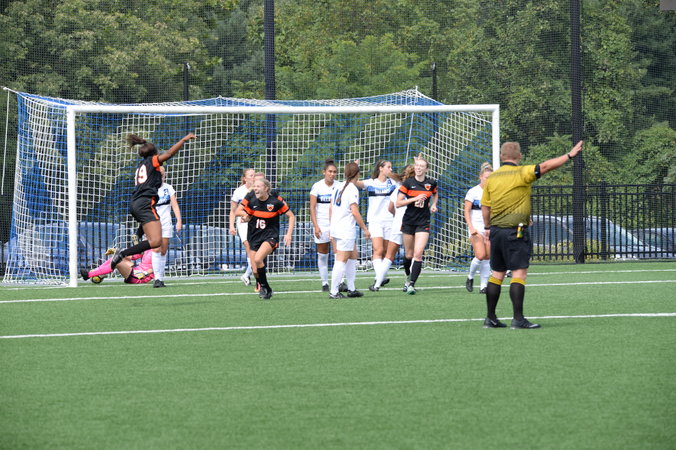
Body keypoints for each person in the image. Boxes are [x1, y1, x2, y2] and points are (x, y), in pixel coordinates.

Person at [481, 140, 584, 329]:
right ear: (519, 156)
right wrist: (569, 155)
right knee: (519, 273)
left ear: (501, 157)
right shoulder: (523, 172)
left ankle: (491, 318)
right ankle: (518, 319)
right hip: (515, 232)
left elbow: (485, 207)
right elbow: (546, 166)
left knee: (497, 274)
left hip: (496, 231)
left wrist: (488, 226)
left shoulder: (492, 178)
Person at [110, 133, 196, 271]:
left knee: (155, 241)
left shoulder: (141, 165)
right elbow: (169, 154)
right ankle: (123, 253)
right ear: (154, 153)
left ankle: (136, 236)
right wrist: (183, 140)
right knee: (156, 241)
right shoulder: (152, 161)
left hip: (136, 203)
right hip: (145, 204)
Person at [237, 178, 295, 300]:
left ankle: (264, 288)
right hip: (254, 237)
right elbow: (246, 215)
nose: (255, 189)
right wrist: (246, 218)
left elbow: (291, 216)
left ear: (266, 188)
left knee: (258, 259)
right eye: (255, 186)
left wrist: (288, 234)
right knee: (255, 270)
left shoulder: (275, 203)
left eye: (258, 186)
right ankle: (266, 288)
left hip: (270, 236)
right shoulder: (252, 201)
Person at [354, 160, 400, 291]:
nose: (391, 169)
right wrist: (355, 168)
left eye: (391, 167)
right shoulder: (371, 183)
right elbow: (354, 182)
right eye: (388, 167)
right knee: (378, 250)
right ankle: (379, 277)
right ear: (380, 168)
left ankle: (379, 277)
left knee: (385, 252)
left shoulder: (393, 183)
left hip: (390, 220)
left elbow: (405, 179)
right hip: (375, 221)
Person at [396, 155, 438, 294]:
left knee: (418, 254)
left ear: (426, 169)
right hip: (409, 221)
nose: (419, 168)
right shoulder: (408, 183)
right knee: (409, 255)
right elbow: (398, 203)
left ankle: (411, 284)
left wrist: (434, 205)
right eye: (417, 166)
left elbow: (435, 194)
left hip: (423, 221)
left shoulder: (431, 183)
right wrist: (414, 199)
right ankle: (408, 278)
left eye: (422, 166)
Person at [328, 162, 370, 299]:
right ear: (358, 174)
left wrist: (331, 226)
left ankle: (351, 289)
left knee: (353, 255)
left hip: (337, 227)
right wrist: (365, 228)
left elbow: (331, 208)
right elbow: (355, 212)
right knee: (341, 260)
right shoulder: (352, 189)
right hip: (345, 229)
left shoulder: (338, 186)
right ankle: (334, 291)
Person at [370, 164, 414, 291]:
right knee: (411, 255)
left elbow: (390, 208)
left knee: (389, 256)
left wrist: (397, 216)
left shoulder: (398, 189)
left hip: (396, 225)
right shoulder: (417, 190)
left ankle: (377, 285)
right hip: (410, 224)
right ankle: (408, 283)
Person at [463, 162, 493, 294]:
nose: (488, 180)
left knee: (487, 256)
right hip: (476, 227)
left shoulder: (494, 192)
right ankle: (470, 277)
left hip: (489, 228)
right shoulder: (473, 192)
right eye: (486, 177)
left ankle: (483, 286)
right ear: (480, 177)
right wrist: (471, 227)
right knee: (480, 255)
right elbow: (466, 210)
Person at [309, 159, 338, 292]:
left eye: (334, 172)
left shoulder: (339, 186)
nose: (332, 174)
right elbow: (312, 207)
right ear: (324, 172)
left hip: (336, 224)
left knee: (338, 253)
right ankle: (325, 282)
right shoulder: (317, 186)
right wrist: (316, 225)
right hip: (322, 224)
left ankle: (340, 281)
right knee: (322, 254)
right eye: (330, 171)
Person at [151, 166, 182, 288]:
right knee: (156, 249)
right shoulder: (149, 189)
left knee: (163, 250)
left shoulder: (168, 188)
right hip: (153, 222)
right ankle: (157, 279)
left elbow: (174, 205)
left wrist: (179, 221)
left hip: (166, 222)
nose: (160, 178)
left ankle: (161, 277)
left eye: (162, 176)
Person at [230, 168, 256, 287]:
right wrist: (231, 226)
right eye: (251, 175)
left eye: (254, 175)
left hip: (256, 221)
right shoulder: (239, 191)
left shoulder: (258, 189)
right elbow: (233, 210)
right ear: (245, 178)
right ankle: (254, 272)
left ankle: (247, 274)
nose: (253, 177)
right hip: (243, 222)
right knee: (248, 245)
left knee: (257, 250)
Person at [81, 249, 155, 285]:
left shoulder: (158, 250)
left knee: (117, 262)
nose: (145, 236)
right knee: (115, 259)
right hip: (136, 270)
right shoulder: (147, 247)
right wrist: (116, 251)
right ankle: (97, 274)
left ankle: (89, 275)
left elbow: (158, 267)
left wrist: (145, 273)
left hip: (141, 277)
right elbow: (133, 256)